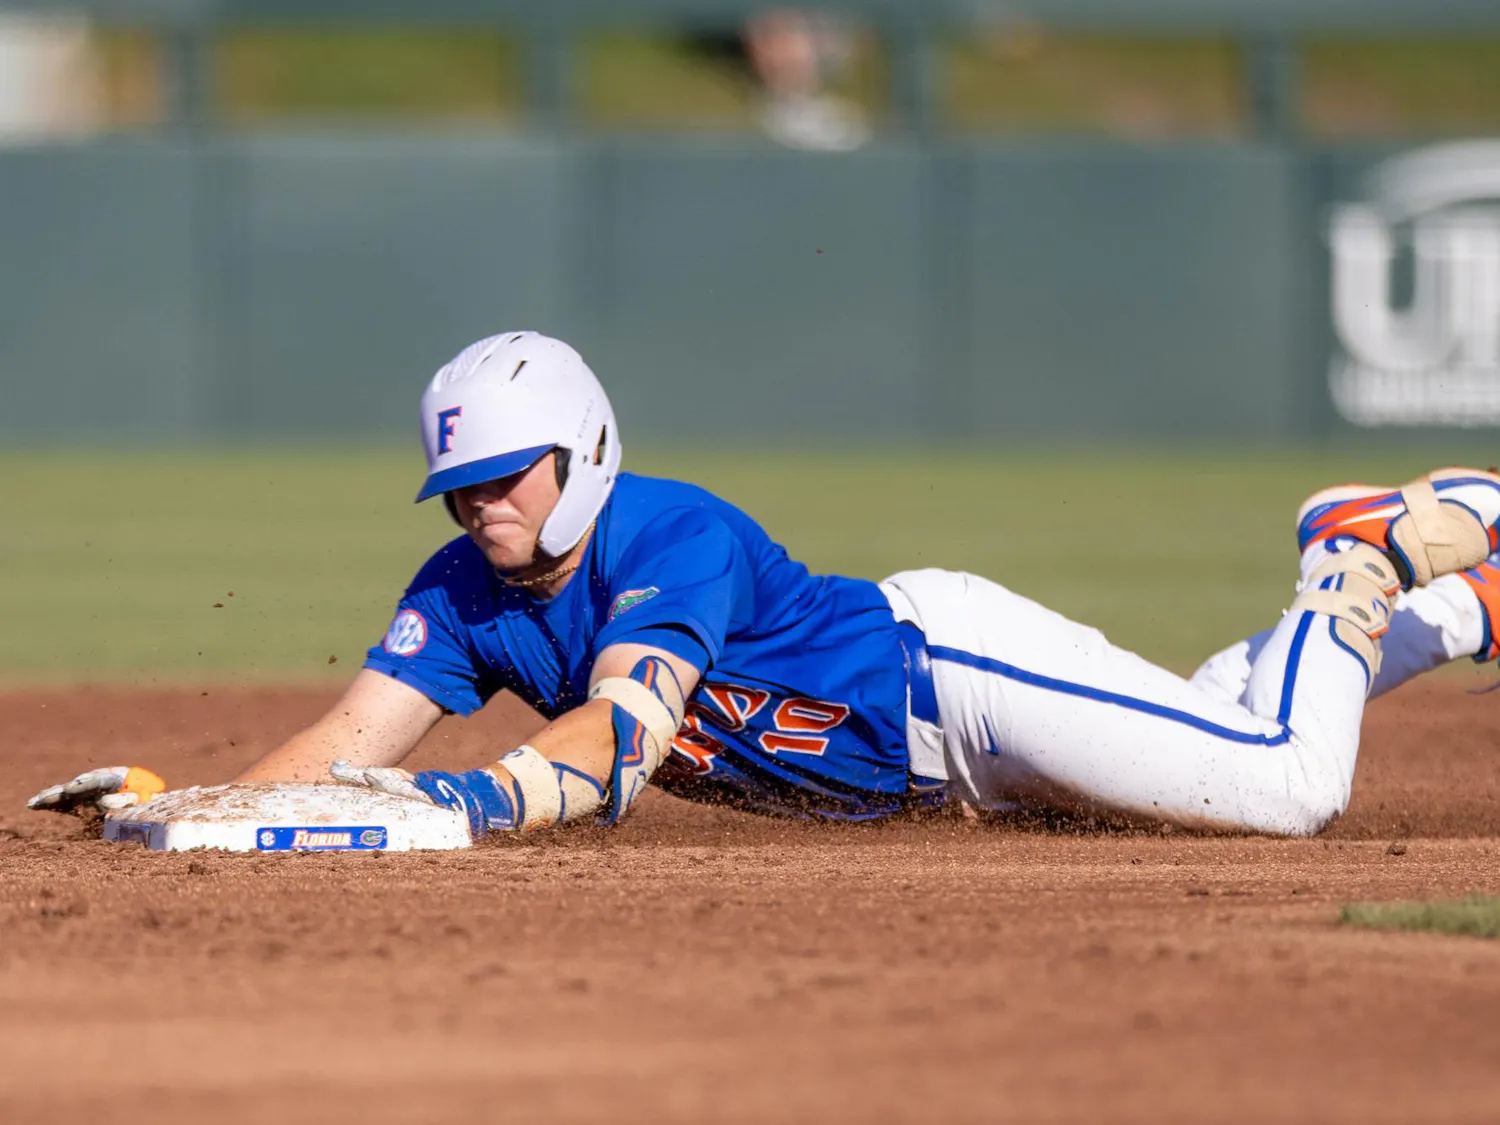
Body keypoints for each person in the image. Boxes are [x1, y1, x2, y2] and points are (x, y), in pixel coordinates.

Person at [29, 332, 1500, 838]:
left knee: (1287, 789)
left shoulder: (672, 537)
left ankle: (1355, 554)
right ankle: (1463, 610)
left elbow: (620, 746)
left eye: (514, 472)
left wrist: (480, 800)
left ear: (588, 454)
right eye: (464, 484)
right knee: (1205, 723)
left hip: (952, 682)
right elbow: (346, 753)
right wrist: (182, 815)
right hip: (936, 783)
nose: (486, 503)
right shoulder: (462, 587)